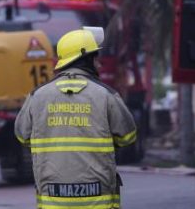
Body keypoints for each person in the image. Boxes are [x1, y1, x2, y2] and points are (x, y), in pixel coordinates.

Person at [15, 27, 137, 209]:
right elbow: (128, 137)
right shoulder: (106, 95)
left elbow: (22, 136)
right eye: (95, 58)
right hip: (98, 202)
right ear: (85, 59)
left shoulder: (37, 96)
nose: (99, 64)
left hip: (52, 202)